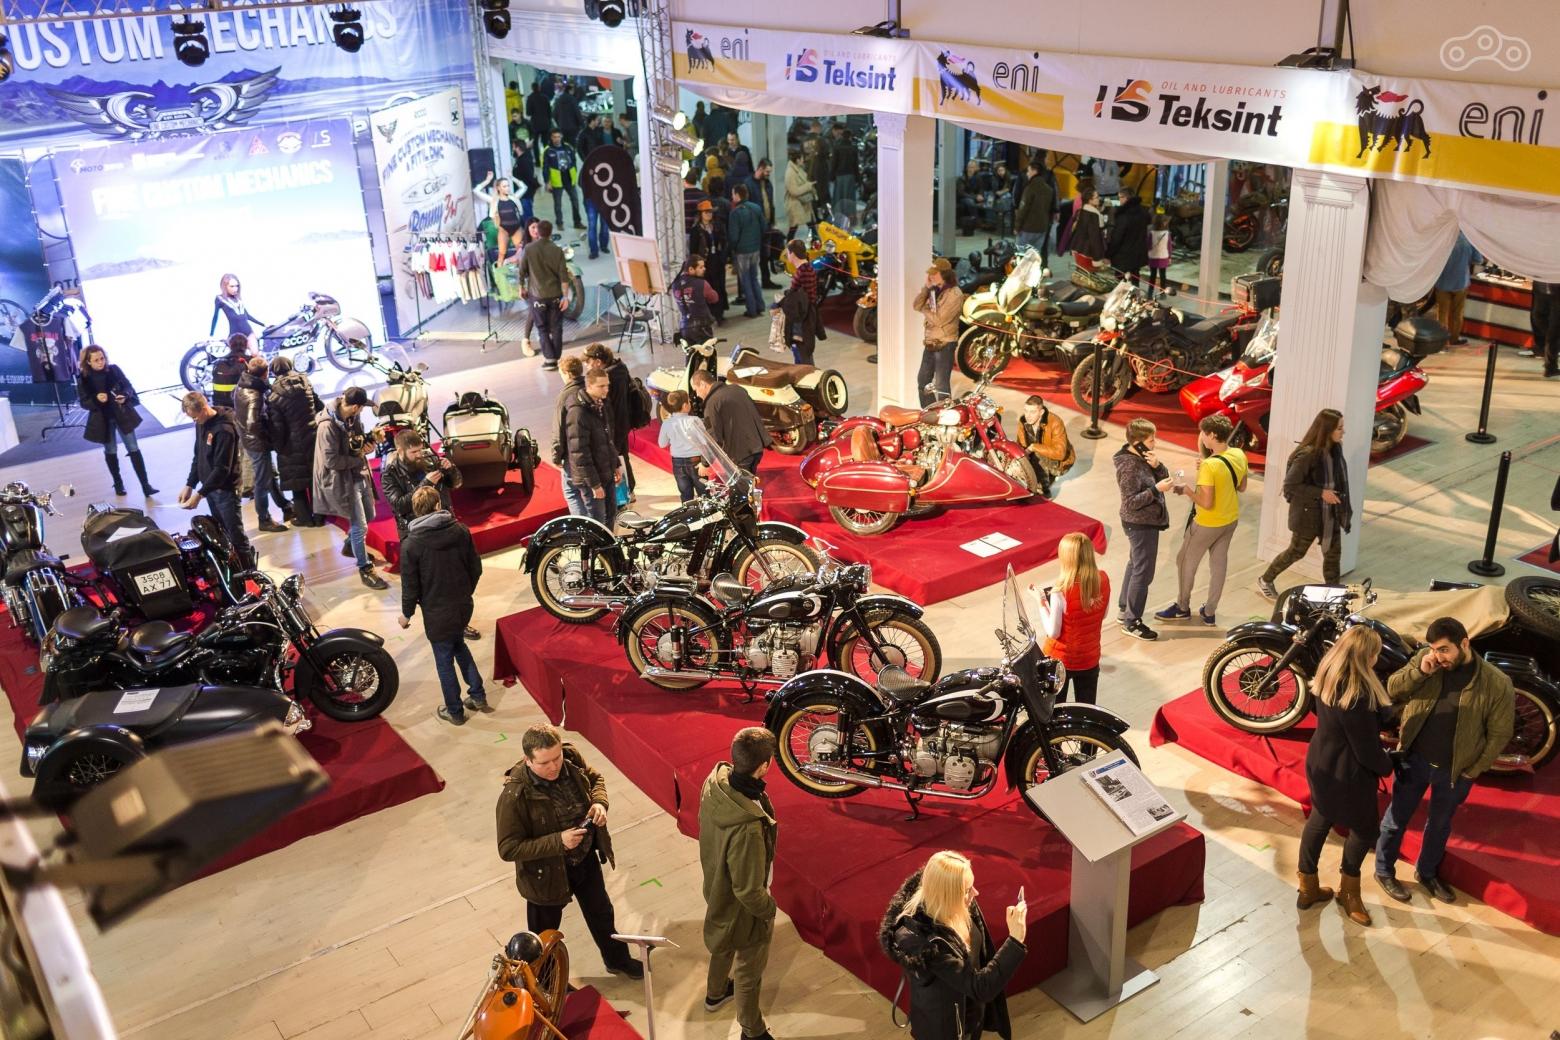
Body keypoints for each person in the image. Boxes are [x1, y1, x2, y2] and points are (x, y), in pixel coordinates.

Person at [1374, 617, 1514, 905]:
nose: (1438, 656)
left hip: (1455, 771)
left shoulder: (1496, 683)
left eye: (1444, 650)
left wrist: (1473, 771)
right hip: (1414, 759)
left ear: (1464, 643)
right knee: (1395, 820)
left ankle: (1427, 873)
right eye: (1434, 649)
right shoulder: (1425, 662)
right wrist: (1420, 672)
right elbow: (1392, 689)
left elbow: (1500, 734)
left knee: (1439, 825)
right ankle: (1383, 870)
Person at [496, 724, 644, 979]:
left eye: (557, 757)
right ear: (527, 760)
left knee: (602, 914)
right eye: (544, 763)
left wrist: (600, 803)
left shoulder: (571, 758)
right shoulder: (514, 796)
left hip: (584, 859)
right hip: (545, 876)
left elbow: (596, 779)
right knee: (543, 937)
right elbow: (508, 848)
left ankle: (617, 960)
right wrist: (558, 841)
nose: (554, 766)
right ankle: (546, 984)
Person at [1297, 626, 1395, 926]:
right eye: (1375, 653)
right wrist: (1388, 764)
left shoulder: (1329, 673)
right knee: (1364, 830)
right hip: (1347, 773)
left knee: (1320, 819)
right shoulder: (1358, 696)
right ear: (1367, 657)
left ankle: (1308, 887)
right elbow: (1366, 751)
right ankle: (1349, 892)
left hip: (1320, 761)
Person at [880, 850, 1028, 1040]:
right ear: (947, 896)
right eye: (967, 890)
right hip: (948, 1029)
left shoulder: (962, 904)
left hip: (971, 1013)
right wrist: (1015, 940)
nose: (975, 893)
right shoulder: (928, 945)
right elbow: (979, 987)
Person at [698, 727, 779, 1040]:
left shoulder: (715, 783)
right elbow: (748, 890)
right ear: (764, 766)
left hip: (715, 884)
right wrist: (768, 909)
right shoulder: (748, 829)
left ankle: (716, 992)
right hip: (743, 904)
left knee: (723, 938)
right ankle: (752, 1030)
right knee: (748, 970)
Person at [397, 486, 487, 724]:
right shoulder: (460, 530)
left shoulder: (411, 545)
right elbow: (476, 567)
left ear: (415, 511)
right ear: (438, 505)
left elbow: (410, 585)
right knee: (459, 644)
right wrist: (466, 591)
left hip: (436, 611)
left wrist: (406, 614)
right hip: (463, 605)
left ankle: (455, 711)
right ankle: (478, 695)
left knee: (444, 659)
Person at [1155, 414, 1248, 628]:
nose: (1201, 437)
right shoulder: (1238, 454)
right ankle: (1210, 612)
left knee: (1184, 561)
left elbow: (1206, 502)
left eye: (1203, 433)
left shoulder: (1209, 466)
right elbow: (1242, 487)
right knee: (1219, 565)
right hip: (1230, 519)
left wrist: (1187, 490)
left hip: (1207, 523)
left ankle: (1182, 608)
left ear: (1212, 435)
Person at [1258, 408, 1353, 598]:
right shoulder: (1308, 455)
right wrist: (1321, 493)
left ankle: (1334, 594)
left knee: (1333, 556)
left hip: (1331, 513)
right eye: (1339, 428)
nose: (1343, 431)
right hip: (1308, 515)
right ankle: (1265, 579)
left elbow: (1339, 481)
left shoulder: (1335, 449)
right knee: (1296, 552)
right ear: (1327, 430)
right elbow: (1291, 485)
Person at [313, 387, 389, 590]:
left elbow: (356, 443)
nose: (362, 411)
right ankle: (365, 568)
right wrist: (358, 459)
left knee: (370, 514)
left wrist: (370, 443)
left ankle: (350, 545)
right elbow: (331, 461)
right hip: (342, 480)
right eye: (362, 407)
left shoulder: (352, 418)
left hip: (358, 473)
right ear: (355, 407)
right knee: (360, 526)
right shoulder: (327, 426)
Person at [177, 391, 253, 566]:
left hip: (226, 491)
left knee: (236, 537)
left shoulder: (225, 430)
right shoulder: (201, 423)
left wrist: (199, 495)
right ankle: (234, 571)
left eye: (195, 417)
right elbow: (199, 456)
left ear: (204, 409)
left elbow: (222, 469)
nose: (194, 421)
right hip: (211, 489)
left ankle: (250, 572)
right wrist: (190, 484)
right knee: (222, 534)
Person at [1113, 418, 1173, 641]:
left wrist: (1158, 466)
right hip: (1139, 523)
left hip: (1144, 522)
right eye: (1151, 440)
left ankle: (1124, 610)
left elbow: (1164, 477)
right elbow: (1130, 502)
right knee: (1143, 572)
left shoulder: (1143, 458)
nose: (1155, 443)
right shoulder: (1129, 467)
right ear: (1137, 442)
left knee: (1136, 564)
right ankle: (1132, 622)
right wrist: (1156, 490)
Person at [77, 344, 157, 497]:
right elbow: (83, 402)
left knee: (133, 448)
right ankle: (118, 484)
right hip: (103, 419)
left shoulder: (113, 370)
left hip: (122, 414)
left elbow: (128, 386)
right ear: (88, 362)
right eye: (96, 360)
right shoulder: (84, 378)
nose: (101, 362)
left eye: (102, 358)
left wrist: (124, 396)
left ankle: (145, 485)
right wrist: (96, 399)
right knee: (111, 451)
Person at [1039, 533, 1110, 704]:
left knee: (1055, 708)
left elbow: (1053, 632)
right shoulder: (1103, 579)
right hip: (1089, 658)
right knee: (1086, 707)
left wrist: (1041, 602)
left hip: (1060, 661)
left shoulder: (1060, 591)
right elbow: (1104, 614)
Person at [234, 356, 291, 532]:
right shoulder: (255, 395)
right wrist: (268, 437)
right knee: (262, 481)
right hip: (257, 443)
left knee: (269, 476)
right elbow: (253, 424)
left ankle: (286, 507)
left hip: (248, 440)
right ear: (265, 373)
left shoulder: (241, 385)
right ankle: (264, 519)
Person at [266, 356, 323, 527]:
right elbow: (319, 406)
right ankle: (320, 517)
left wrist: (278, 446)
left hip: (291, 444)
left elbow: (278, 427)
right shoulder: (306, 384)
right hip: (312, 436)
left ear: (273, 372)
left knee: (297, 483)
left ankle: (305, 518)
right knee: (315, 479)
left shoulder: (273, 396)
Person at [381, 430, 463, 542]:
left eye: (420, 449)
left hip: (444, 521)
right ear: (400, 451)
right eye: (414, 452)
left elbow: (456, 484)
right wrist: (426, 483)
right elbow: (399, 506)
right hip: (415, 530)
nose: (419, 455)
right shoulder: (390, 474)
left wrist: (451, 470)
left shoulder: (431, 459)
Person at [563, 367, 620, 528]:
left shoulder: (601, 404)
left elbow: (608, 439)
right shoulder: (578, 413)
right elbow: (579, 453)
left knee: (611, 515)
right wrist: (594, 485)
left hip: (605, 471)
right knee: (597, 522)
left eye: (607, 385)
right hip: (592, 478)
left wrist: (615, 464)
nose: (606, 389)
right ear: (589, 386)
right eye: (601, 386)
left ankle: (608, 544)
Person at [692, 368, 769, 474]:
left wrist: (705, 463)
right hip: (757, 446)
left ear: (702, 384)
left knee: (742, 484)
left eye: (696, 389)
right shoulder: (738, 389)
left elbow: (714, 438)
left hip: (739, 454)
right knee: (750, 479)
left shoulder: (712, 403)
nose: (697, 394)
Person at [586, 343, 636, 502]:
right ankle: (630, 491)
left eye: (588, 361)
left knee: (615, 458)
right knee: (622, 456)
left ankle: (624, 495)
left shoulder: (607, 378)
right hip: (623, 420)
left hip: (614, 424)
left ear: (598, 362)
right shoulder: (620, 368)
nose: (586, 365)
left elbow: (607, 405)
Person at [520, 220, 571, 370]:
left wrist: (521, 287)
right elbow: (564, 276)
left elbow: (522, 271)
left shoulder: (529, 249)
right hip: (555, 295)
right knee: (556, 327)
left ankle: (549, 359)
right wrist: (565, 297)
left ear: (538, 232)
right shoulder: (557, 250)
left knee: (542, 328)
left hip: (537, 296)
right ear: (550, 232)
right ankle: (556, 357)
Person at [913, 266, 963, 406]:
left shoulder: (955, 294)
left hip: (945, 342)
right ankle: (929, 412)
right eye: (930, 274)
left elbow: (940, 320)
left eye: (934, 274)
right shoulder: (934, 290)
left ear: (945, 274)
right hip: (930, 341)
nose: (931, 276)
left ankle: (943, 414)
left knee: (941, 385)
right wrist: (926, 287)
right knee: (923, 381)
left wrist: (925, 309)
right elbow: (916, 305)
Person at [1014, 395, 1074, 497]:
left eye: (1032, 412)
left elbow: (1060, 454)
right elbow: (1021, 445)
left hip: (1059, 462)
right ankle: (1036, 478)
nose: (1028, 415)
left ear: (1041, 412)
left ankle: (1044, 489)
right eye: (1026, 411)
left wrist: (1034, 447)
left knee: (1038, 454)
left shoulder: (1055, 422)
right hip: (1036, 457)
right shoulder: (1023, 421)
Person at [659, 390, 705, 503]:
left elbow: (662, 444)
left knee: (685, 495)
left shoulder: (667, 423)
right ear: (685, 406)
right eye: (689, 401)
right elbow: (705, 441)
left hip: (677, 462)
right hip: (696, 461)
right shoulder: (695, 420)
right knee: (704, 494)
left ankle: (688, 513)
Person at [729, 184, 765, 319]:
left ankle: (752, 309)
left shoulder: (735, 213)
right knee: (754, 277)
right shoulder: (756, 208)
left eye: (733, 194)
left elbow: (733, 236)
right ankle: (760, 305)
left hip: (742, 251)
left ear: (738, 195)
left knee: (746, 280)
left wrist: (732, 249)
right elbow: (764, 227)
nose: (732, 196)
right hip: (755, 248)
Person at [1434, 232, 1476, 345]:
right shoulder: (1469, 239)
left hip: (1443, 281)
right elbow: (1478, 259)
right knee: (1457, 313)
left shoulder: (1442, 237)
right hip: (1461, 282)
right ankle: (1454, 339)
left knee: (1442, 313)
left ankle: (1442, 342)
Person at [688, 203, 728, 322]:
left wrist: (723, 257)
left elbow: (723, 242)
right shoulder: (696, 230)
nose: (709, 214)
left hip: (717, 261)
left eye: (710, 212)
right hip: (704, 264)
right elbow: (693, 250)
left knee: (719, 286)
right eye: (706, 212)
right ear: (700, 214)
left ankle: (719, 313)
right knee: (707, 288)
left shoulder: (716, 227)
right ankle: (710, 314)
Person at [1013, 157, 1056, 266]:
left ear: (1034, 171)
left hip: (1028, 228)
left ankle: (1021, 276)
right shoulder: (1049, 189)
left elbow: (1023, 210)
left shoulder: (1030, 188)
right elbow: (1050, 208)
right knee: (1035, 257)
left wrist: (1017, 227)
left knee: (1021, 256)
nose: (1027, 174)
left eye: (1028, 171)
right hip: (1042, 228)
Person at [474, 173, 525, 264]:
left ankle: (521, 271)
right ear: (499, 188)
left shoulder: (514, 198)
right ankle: (499, 271)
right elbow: (476, 191)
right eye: (504, 186)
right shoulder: (494, 200)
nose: (507, 188)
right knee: (501, 254)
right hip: (503, 230)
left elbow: (524, 187)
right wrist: (487, 181)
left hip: (516, 228)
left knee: (520, 252)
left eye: (508, 186)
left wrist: (513, 178)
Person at [672, 254, 720, 345]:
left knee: (691, 352)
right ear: (691, 269)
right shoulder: (701, 283)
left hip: (684, 327)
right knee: (708, 352)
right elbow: (714, 298)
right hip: (702, 327)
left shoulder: (675, 284)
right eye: (701, 267)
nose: (704, 269)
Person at [542, 131, 584, 231]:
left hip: (569, 178)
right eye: (554, 137)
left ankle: (577, 222)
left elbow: (574, 160)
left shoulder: (568, 147)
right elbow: (545, 167)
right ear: (551, 138)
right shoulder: (548, 150)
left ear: (561, 137)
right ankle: (559, 223)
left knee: (575, 201)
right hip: (557, 180)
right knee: (558, 203)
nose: (556, 139)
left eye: (558, 137)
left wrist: (574, 171)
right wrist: (547, 182)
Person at [1107, 187, 1151, 284]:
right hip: (1138, 252)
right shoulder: (1143, 212)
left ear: (1126, 198)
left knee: (1119, 279)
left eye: (1120, 197)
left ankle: (1121, 293)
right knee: (1135, 276)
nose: (1118, 200)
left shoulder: (1123, 215)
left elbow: (1117, 237)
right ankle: (1135, 292)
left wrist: (1109, 253)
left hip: (1123, 254)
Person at [209, 274, 265, 349]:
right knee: (234, 355)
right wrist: (211, 335)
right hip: (234, 334)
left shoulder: (238, 299)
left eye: (237, 286)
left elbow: (247, 316)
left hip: (248, 332)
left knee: (255, 353)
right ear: (225, 286)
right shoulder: (220, 299)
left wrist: (263, 324)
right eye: (232, 286)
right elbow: (215, 317)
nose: (235, 289)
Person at [776, 274, 818, 366]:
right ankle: (805, 371)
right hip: (802, 339)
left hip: (798, 339)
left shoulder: (793, 299)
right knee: (804, 359)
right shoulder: (809, 300)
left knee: (803, 360)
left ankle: (807, 372)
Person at [828, 122, 858, 223]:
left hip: (839, 176)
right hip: (850, 176)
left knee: (838, 198)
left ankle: (837, 219)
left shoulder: (837, 147)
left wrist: (831, 177)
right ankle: (850, 219)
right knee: (849, 198)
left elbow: (834, 164)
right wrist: (858, 179)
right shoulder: (853, 148)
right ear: (850, 137)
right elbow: (855, 165)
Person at [783, 148, 815, 240]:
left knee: (810, 225)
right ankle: (789, 245)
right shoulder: (791, 173)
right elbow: (794, 191)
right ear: (797, 160)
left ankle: (815, 241)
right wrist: (807, 186)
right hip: (795, 204)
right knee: (794, 228)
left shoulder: (797, 169)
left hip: (802, 203)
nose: (803, 160)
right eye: (802, 158)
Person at [210, 333, 249, 408]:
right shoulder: (250, 362)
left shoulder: (217, 363)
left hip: (221, 407)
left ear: (230, 345)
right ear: (246, 345)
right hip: (243, 407)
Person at [1069, 188, 1107, 264]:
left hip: (1079, 248)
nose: (1099, 199)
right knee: (1088, 270)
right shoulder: (1094, 215)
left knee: (1081, 269)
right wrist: (1097, 258)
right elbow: (1094, 238)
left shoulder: (1082, 211)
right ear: (1090, 200)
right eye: (1096, 197)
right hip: (1088, 252)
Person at [551, 83, 583, 155]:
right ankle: (572, 157)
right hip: (573, 127)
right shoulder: (572, 99)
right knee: (572, 145)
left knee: (563, 144)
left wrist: (559, 123)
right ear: (570, 90)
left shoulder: (559, 100)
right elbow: (577, 113)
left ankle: (565, 158)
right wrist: (581, 124)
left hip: (562, 127)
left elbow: (554, 114)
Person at [525, 81, 552, 162]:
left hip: (535, 124)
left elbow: (528, 113)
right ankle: (547, 159)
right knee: (546, 142)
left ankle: (537, 161)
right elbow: (549, 111)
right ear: (539, 88)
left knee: (535, 143)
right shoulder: (545, 97)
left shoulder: (530, 98)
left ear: (532, 88)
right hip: (545, 123)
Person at [786, 239, 818, 307]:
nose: (787, 255)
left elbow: (806, 298)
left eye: (788, 253)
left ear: (792, 254)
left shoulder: (802, 271)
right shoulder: (806, 267)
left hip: (804, 310)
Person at [1146, 213, 1173, 291]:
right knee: (1163, 276)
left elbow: (1148, 246)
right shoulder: (1167, 233)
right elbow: (1169, 247)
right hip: (1163, 256)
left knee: (1152, 275)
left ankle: (1150, 292)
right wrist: (1170, 257)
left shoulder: (1151, 233)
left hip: (1153, 257)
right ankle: (1162, 292)